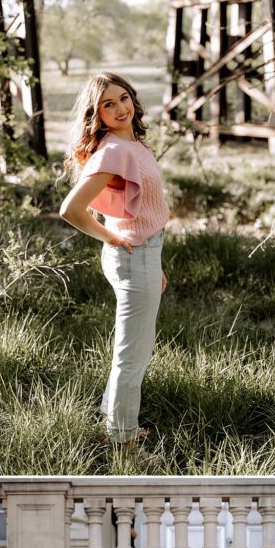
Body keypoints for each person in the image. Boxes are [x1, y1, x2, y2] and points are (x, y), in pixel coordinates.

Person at [60, 72, 170, 449]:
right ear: (97, 113)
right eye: (108, 104)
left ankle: (113, 424)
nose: (120, 108)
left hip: (142, 254)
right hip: (132, 255)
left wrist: (154, 264)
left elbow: (143, 211)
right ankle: (122, 440)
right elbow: (71, 210)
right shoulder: (113, 152)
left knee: (133, 349)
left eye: (123, 98)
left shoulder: (131, 143)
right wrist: (112, 236)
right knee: (132, 355)